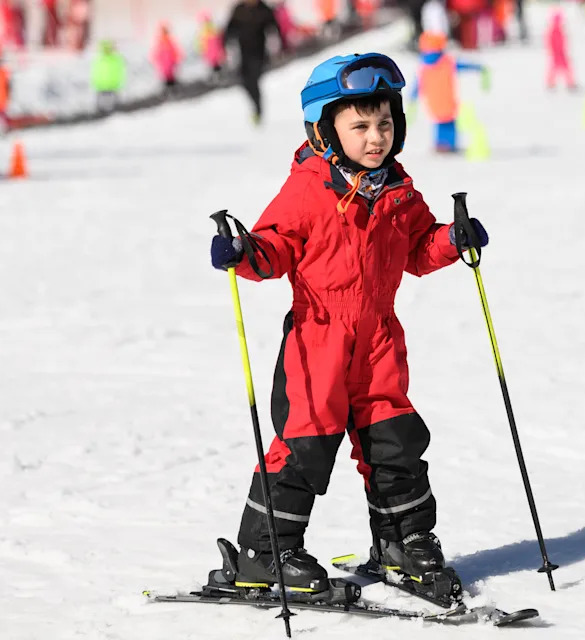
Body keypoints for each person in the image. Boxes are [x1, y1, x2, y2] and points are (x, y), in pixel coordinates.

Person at [208, 52, 489, 591]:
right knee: (304, 444)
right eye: (359, 126)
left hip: (380, 340)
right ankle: (265, 551)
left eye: (384, 123)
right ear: (324, 131)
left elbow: (417, 249)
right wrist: (242, 251)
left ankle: (401, 544)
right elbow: (276, 247)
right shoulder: (310, 187)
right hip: (319, 340)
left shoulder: (398, 190)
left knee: (395, 443)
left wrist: (452, 241)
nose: (375, 136)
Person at [412, 31, 487, 153]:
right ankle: (449, 145)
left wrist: (413, 96)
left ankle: (440, 144)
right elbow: (463, 65)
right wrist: (477, 67)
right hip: (448, 101)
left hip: (434, 102)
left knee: (439, 123)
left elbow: (418, 84)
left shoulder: (424, 66)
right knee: (449, 124)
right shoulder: (447, 62)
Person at [223, 0, 284, 124]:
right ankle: (256, 106)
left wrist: (278, 45)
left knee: (253, 80)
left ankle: (258, 109)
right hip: (243, 53)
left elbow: (274, 28)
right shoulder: (239, 9)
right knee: (245, 81)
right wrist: (226, 43)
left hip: (259, 53)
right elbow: (230, 28)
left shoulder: (264, 9)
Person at [545, 8, 576, 90]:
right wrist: (552, 51)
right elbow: (549, 42)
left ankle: (570, 82)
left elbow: (564, 41)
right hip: (556, 53)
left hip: (561, 53)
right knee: (555, 69)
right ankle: (551, 82)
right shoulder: (553, 31)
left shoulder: (560, 30)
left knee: (565, 68)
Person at [91, 39, 125, 112]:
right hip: (101, 86)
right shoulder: (99, 59)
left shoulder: (116, 59)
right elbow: (95, 72)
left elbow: (120, 72)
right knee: (101, 106)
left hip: (112, 86)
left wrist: (118, 82)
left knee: (114, 106)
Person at [150, 22, 183, 94]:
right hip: (163, 64)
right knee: (165, 77)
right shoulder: (159, 42)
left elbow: (175, 50)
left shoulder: (170, 41)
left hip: (170, 63)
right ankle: (168, 90)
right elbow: (155, 53)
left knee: (172, 77)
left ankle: (173, 89)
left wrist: (176, 59)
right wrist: (155, 61)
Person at [196, 11, 227, 82]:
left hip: (213, 51)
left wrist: (202, 50)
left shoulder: (207, 30)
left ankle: (218, 76)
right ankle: (218, 76)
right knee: (216, 64)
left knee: (216, 64)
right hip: (212, 51)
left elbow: (200, 43)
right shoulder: (208, 29)